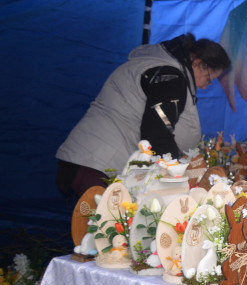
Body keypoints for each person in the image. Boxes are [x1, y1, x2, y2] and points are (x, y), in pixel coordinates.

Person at [56, 33, 230, 200]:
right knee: (102, 227)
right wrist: (178, 174)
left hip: (89, 160)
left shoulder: (157, 67)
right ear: (198, 63)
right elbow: (157, 134)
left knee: (96, 226)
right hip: (98, 165)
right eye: (209, 79)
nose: (206, 86)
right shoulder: (169, 78)